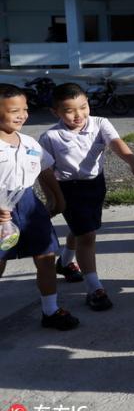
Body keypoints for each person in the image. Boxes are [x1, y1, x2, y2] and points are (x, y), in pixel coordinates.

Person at [38, 83, 134, 311]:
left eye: (83, 107)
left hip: (96, 185)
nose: (79, 115)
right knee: (87, 235)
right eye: (69, 111)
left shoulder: (100, 123)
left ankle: (66, 262)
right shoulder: (50, 137)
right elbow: (44, 171)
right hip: (68, 188)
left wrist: (133, 163)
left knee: (83, 229)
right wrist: (52, 198)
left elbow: (116, 143)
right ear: (55, 112)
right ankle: (94, 287)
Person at [0, 84, 77, 330]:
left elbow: (44, 169)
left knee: (45, 255)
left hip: (29, 204)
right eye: (14, 110)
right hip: (2, 210)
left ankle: (51, 310)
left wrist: (57, 198)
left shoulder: (29, 141)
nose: (22, 115)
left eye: (24, 109)